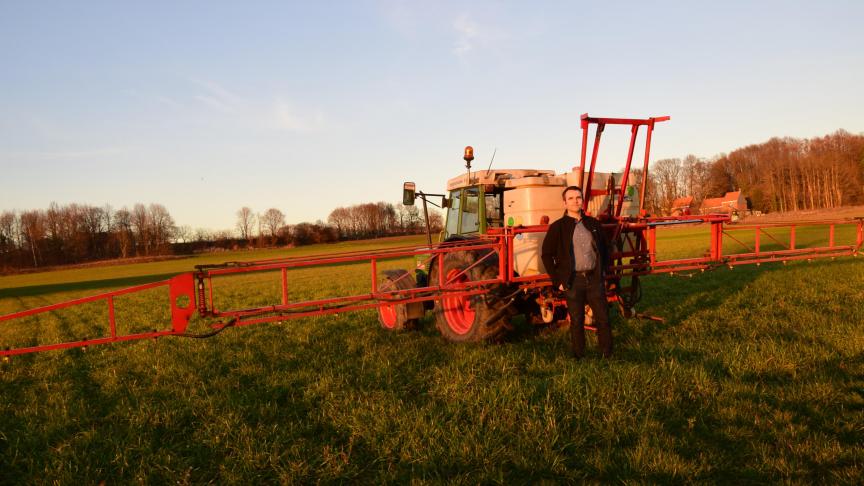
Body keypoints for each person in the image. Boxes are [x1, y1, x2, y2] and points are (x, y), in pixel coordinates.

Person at [541, 185, 613, 358]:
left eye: (578, 198)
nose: (575, 201)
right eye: (571, 198)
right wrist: (557, 281)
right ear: (564, 203)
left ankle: (607, 353)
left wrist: (603, 271)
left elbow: (605, 248)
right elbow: (546, 255)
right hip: (573, 281)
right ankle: (579, 355)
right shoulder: (557, 227)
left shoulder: (593, 224)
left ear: (582, 201)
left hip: (594, 278)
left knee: (603, 318)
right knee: (577, 320)